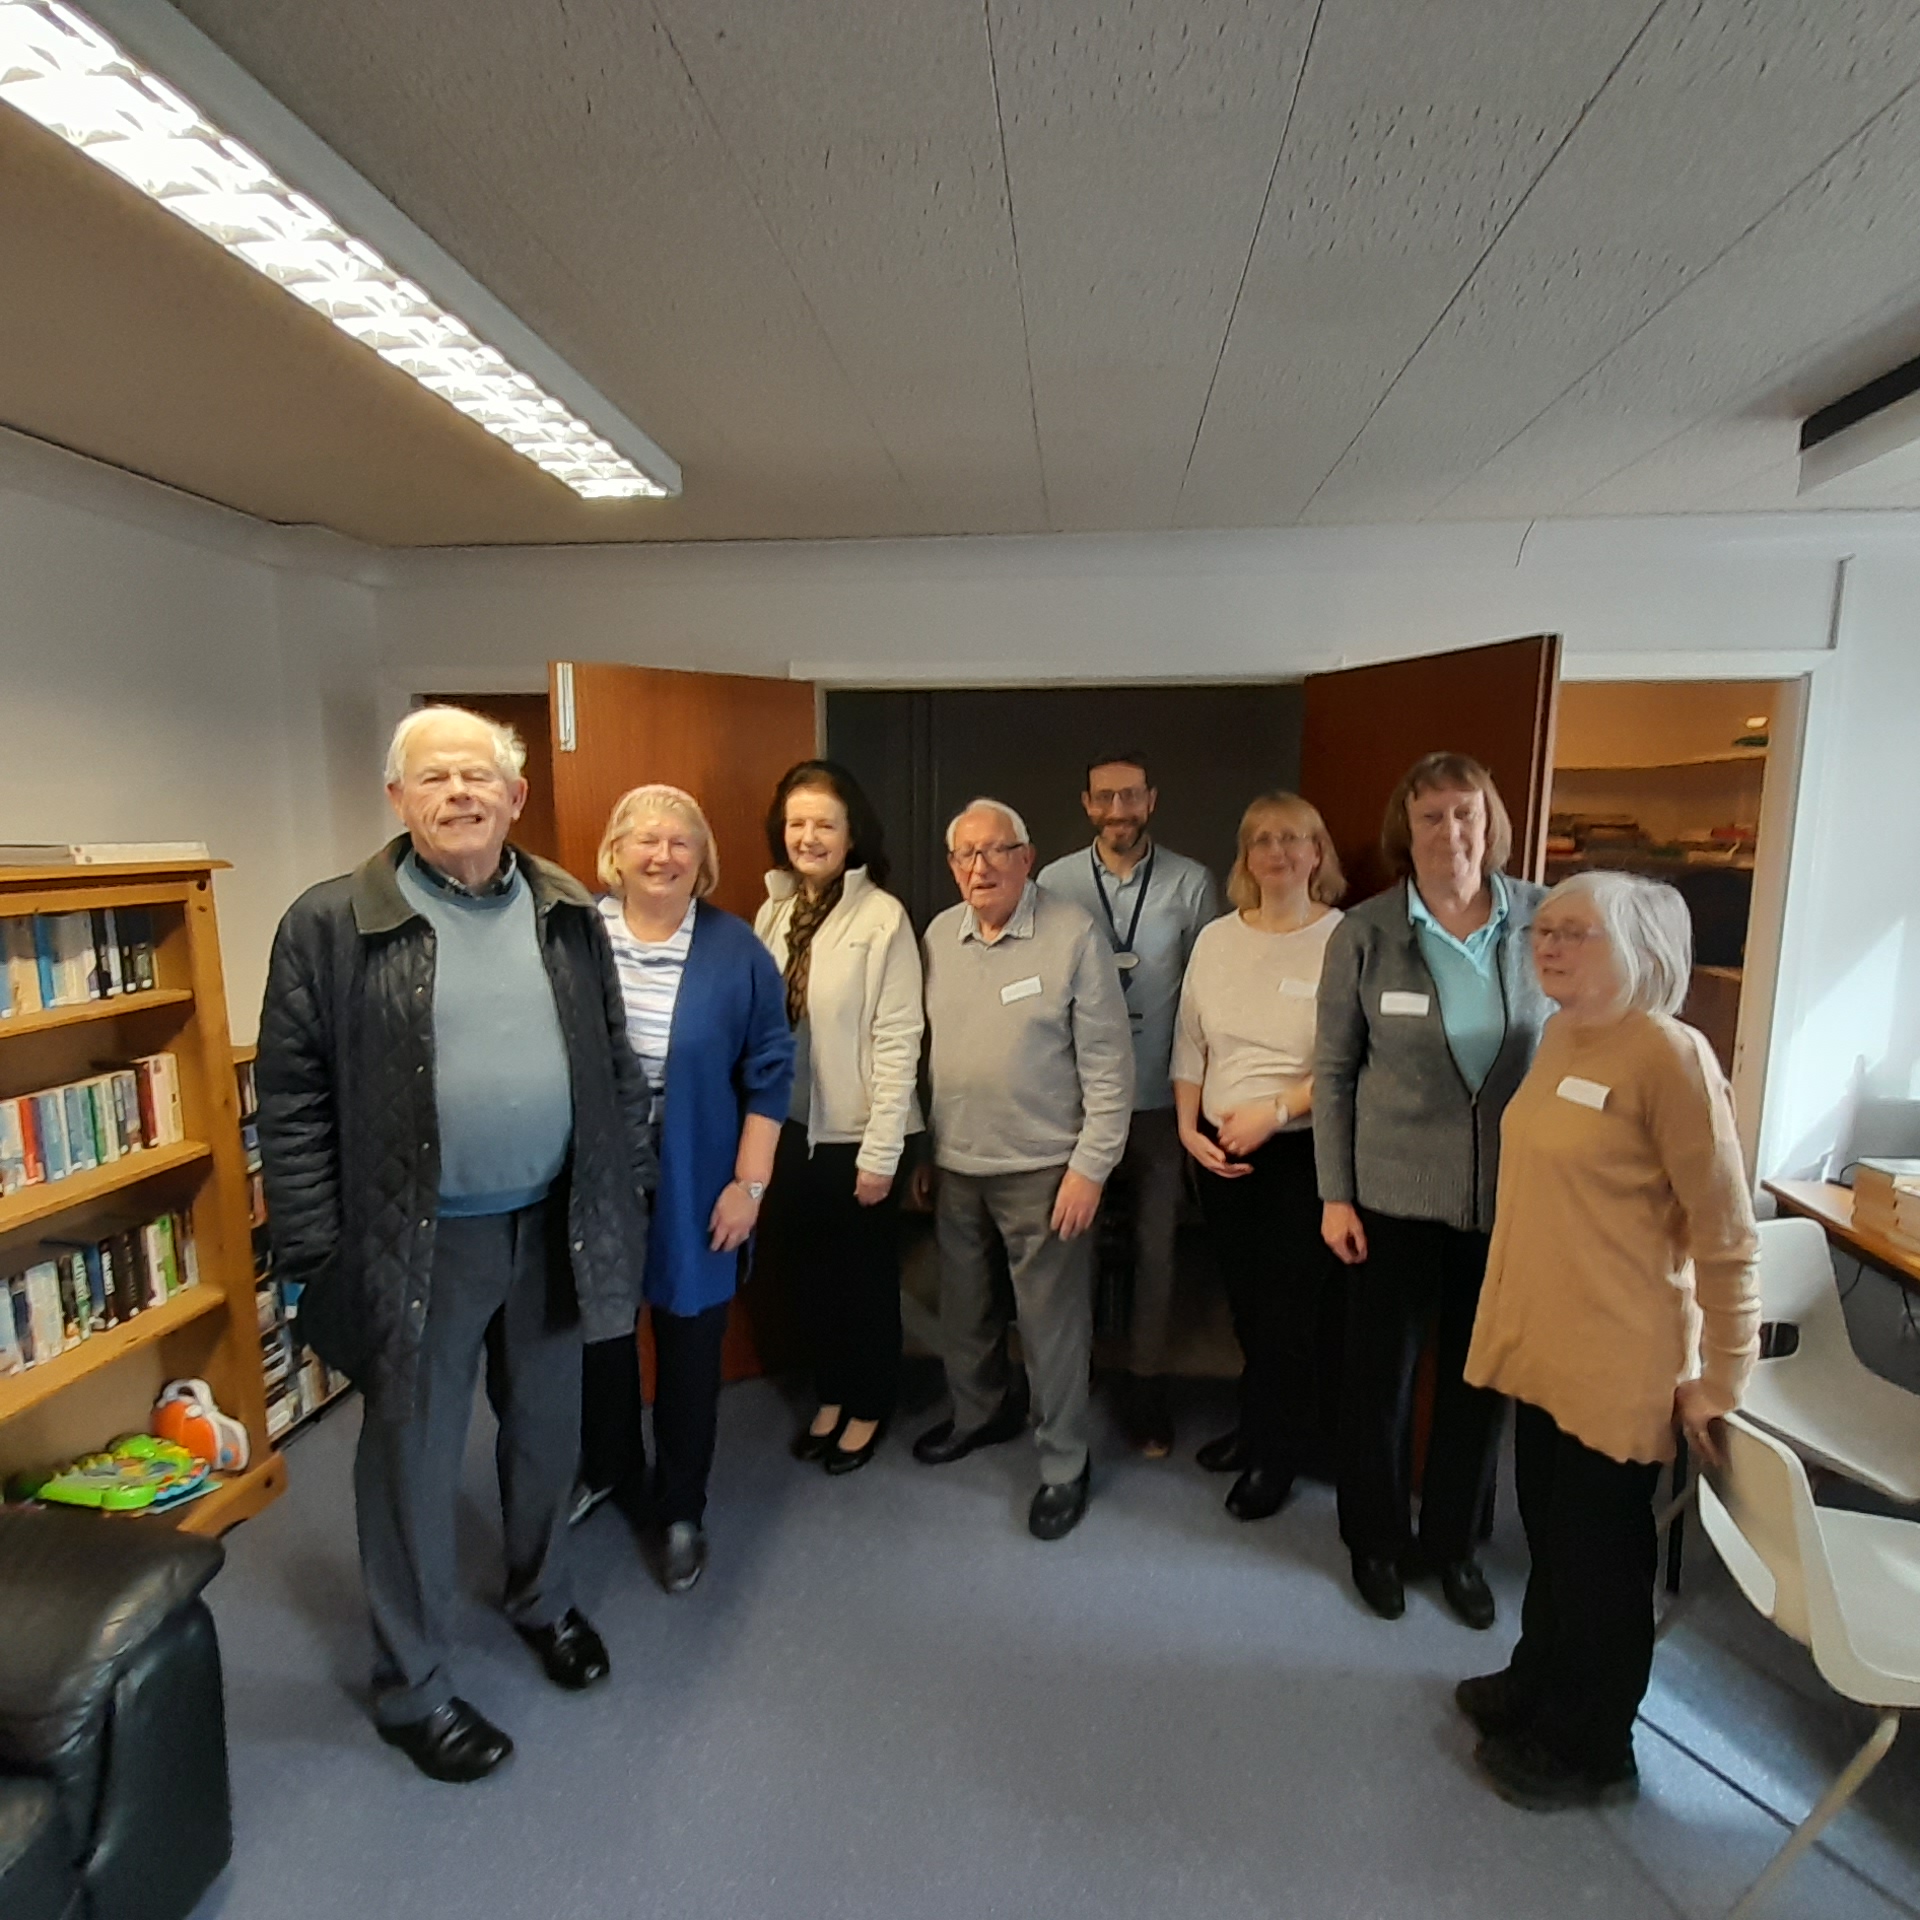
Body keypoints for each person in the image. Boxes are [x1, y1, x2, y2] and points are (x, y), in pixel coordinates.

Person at [256, 706, 655, 1784]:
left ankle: (544, 1599)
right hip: (415, 1242)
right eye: (433, 778)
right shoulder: (330, 924)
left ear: (516, 797)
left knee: (545, 1439)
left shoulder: (569, 908)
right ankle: (414, 1687)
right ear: (398, 799)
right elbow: (290, 1102)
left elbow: (612, 1063)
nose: (459, 793)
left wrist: (627, 1192)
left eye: (479, 775)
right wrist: (315, 1254)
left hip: (555, 1224)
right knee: (409, 1465)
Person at [1457, 871, 1759, 1810]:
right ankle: (1538, 1681)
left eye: (1575, 933)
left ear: (1634, 945)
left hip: (1621, 1354)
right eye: (1543, 932)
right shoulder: (1558, 1035)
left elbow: (1726, 1231)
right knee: (1551, 1535)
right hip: (1547, 1342)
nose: (1548, 947)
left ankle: (1595, 1747)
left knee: (1601, 1560)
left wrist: (1724, 1377)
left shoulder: (1670, 1056)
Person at [1314, 753, 1548, 1627]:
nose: (1451, 833)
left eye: (1466, 814)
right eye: (1431, 819)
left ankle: (1453, 1545)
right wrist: (1336, 1193)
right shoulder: (1366, 934)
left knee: (1478, 1381)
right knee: (1380, 1377)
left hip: (1507, 1200)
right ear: (1403, 833)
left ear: (1491, 821)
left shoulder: (1544, 920)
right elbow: (1334, 1072)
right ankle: (1373, 1540)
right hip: (1390, 1197)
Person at [577, 785, 793, 1594]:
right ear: (616, 852)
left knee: (691, 1347)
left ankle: (680, 1508)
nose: (663, 855)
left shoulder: (737, 951)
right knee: (598, 1340)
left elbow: (771, 1075)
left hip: (702, 1174)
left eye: (681, 842)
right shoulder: (573, 938)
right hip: (591, 1178)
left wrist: (750, 1184)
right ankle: (609, 1471)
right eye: (646, 840)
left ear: (702, 860)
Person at [913, 798, 1134, 1541]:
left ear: (1027, 857)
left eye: (996, 851)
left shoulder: (1073, 934)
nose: (980, 867)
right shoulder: (940, 934)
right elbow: (920, 1051)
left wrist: (1090, 1168)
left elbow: (1110, 1067)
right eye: (965, 855)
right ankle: (980, 1414)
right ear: (951, 867)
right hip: (956, 1161)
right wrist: (924, 1149)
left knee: (1052, 1328)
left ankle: (1064, 1464)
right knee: (965, 1308)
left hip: (1046, 1169)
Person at [1037, 751, 1223, 1457]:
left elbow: (1208, 993)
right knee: (1067, 1249)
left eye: (1132, 797)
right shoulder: (1052, 882)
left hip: (1158, 1101)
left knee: (1156, 1251)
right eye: (1105, 798)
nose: (1119, 810)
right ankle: (1067, 1386)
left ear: (1153, 800)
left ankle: (1146, 1390)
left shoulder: (1191, 883)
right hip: (1072, 1100)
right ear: (1086, 804)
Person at [1172, 793, 1344, 1521]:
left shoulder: (1343, 939)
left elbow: (1349, 1060)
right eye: (1261, 840)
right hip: (1215, 1152)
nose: (1276, 851)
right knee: (1246, 1306)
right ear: (1245, 857)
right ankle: (1257, 1427)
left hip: (1298, 1155)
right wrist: (1188, 1128)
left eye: (1293, 839)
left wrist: (1274, 1113)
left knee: (1290, 1317)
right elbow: (1189, 1041)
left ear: (1316, 854)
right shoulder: (1215, 939)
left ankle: (1280, 1453)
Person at [754, 760, 924, 1474]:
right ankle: (830, 1391)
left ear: (853, 834)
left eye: (824, 823)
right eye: (797, 823)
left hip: (861, 1131)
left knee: (862, 1279)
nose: (809, 836)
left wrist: (881, 1153)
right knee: (809, 1276)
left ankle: (868, 1403)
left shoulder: (882, 916)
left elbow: (898, 1036)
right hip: (791, 1132)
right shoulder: (772, 912)